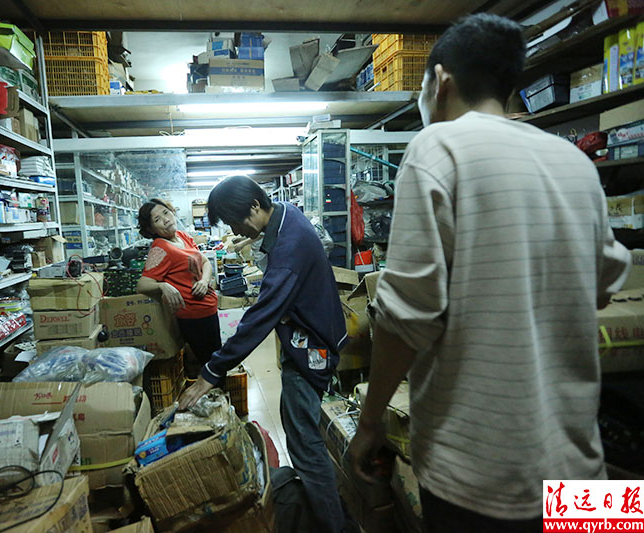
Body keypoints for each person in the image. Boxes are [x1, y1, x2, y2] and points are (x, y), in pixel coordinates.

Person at [349, 13, 631, 533]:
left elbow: (407, 317)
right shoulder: (572, 160)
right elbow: (604, 283)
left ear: (440, 81)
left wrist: (370, 424)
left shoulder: (437, 149)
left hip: (480, 474)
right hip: (581, 467)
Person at [178, 176, 348, 533]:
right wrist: (253, 238)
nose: (233, 230)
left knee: (305, 447)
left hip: (311, 348)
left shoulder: (288, 250)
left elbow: (260, 318)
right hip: (313, 334)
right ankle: (325, 511)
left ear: (255, 206)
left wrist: (212, 372)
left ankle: (332, 525)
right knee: (299, 430)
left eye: (234, 221)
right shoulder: (285, 214)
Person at [136, 198, 221, 378]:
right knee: (212, 364)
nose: (166, 220)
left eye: (166, 213)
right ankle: (216, 393)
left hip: (208, 307)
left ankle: (218, 392)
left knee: (214, 357)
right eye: (157, 219)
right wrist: (163, 286)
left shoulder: (182, 236)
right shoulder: (160, 248)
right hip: (193, 315)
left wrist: (204, 281)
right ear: (151, 229)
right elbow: (142, 285)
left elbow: (205, 262)